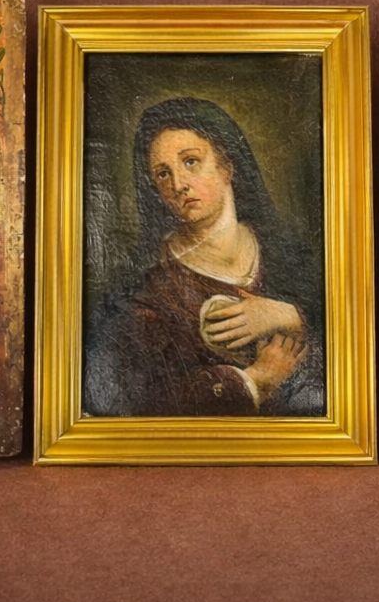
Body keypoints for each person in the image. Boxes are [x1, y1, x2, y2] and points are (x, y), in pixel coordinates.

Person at [83, 98, 325, 417]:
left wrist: (291, 316)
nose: (179, 185)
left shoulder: (289, 253)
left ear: (226, 165)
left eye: (191, 161)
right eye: (163, 174)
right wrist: (254, 380)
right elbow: (133, 399)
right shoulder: (144, 294)